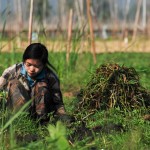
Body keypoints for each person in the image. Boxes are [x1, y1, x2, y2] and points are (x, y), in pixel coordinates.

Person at [0, 43, 73, 124]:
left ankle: (41, 122)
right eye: (28, 64)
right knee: (14, 84)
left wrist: (63, 116)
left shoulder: (51, 77)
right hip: (17, 113)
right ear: (24, 61)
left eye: (37, 66)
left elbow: (58, 102)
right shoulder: (13, 71)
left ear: (44, 65)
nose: (32, 69)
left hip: (42, 114)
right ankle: (20, 121)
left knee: (42, 85)